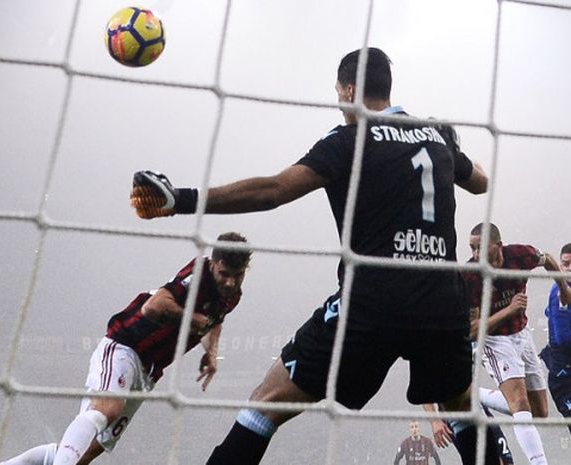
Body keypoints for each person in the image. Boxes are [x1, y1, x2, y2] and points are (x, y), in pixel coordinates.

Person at [130, 47, 501, 465]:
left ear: (349, 90)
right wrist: (450, 143)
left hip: (372, 302)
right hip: (441, 303)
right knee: (462, 405)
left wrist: (180, 199)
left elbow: (273, 190)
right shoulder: (434, 138)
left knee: (264, 404)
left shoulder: (348, 140)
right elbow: (482, 183)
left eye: (340, 94)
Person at [0, 232, 251, 465]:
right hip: (126, 345)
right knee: (108, 408)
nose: (230, 282)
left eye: (237, 275)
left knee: (88, 449)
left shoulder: (232, 295)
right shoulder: (198, 276)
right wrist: (192, 319)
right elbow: (152, 307)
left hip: (149, 371)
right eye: (224, 273)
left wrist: (211, 352)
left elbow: (214, 322)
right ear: (212, 264)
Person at [465, 223, 571, 465]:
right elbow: (472, 330)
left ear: (498, 246)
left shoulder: (521, 255)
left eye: (480, 248)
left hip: (521, 335)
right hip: (494, 339)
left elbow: (549, 260)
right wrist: (509, 310)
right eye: (471, 248)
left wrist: (564, 289)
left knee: (540, 412)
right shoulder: (471, 276)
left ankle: (478, 396)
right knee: (520, 403)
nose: (474, 255)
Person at [538, 242, 571, 434]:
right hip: (565, 379)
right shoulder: (558, 293)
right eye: (565, 264)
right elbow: (563, 339)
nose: (569, 269)